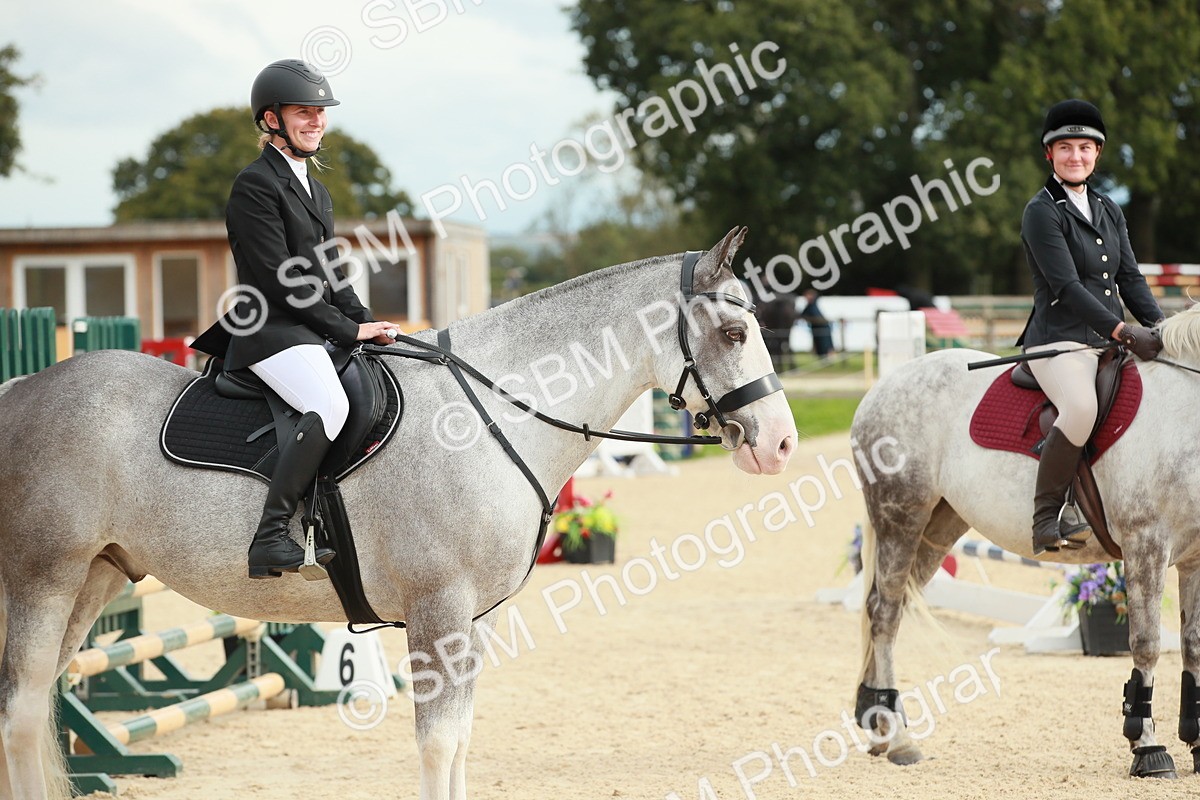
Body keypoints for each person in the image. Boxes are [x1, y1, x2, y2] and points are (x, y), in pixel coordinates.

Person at [192, 59, 400, 578]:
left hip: (305, 327)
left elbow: (331, 272)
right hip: (268, 330)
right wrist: (346, 331)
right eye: (303, 112)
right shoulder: (254, 185)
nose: (316, 121)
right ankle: (271, 536)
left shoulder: (315, 189)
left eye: (320, 112)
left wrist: (370, 324)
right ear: (271, 119)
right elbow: (281, 277)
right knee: (328, 404)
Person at [1018, 98, 1163, 555]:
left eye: (1084, 147)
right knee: (1080, 407)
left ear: (1097, 153)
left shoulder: (1108, 208)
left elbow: (1130, 278)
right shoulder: (1041, 211)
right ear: (1050, 154)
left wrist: (1160, 328)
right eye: (1065, 147)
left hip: (1106, 342)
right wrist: (1123, 331)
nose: (1075, 156)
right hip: (1058, 343)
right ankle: (1045, 517)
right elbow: (1066, 287)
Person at [799, 288, 834, 358]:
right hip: (818, 328)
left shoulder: (812, 306)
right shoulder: (810, 306)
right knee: (820, 344)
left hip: (822, 327)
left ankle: (826, 357)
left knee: (825, 343)